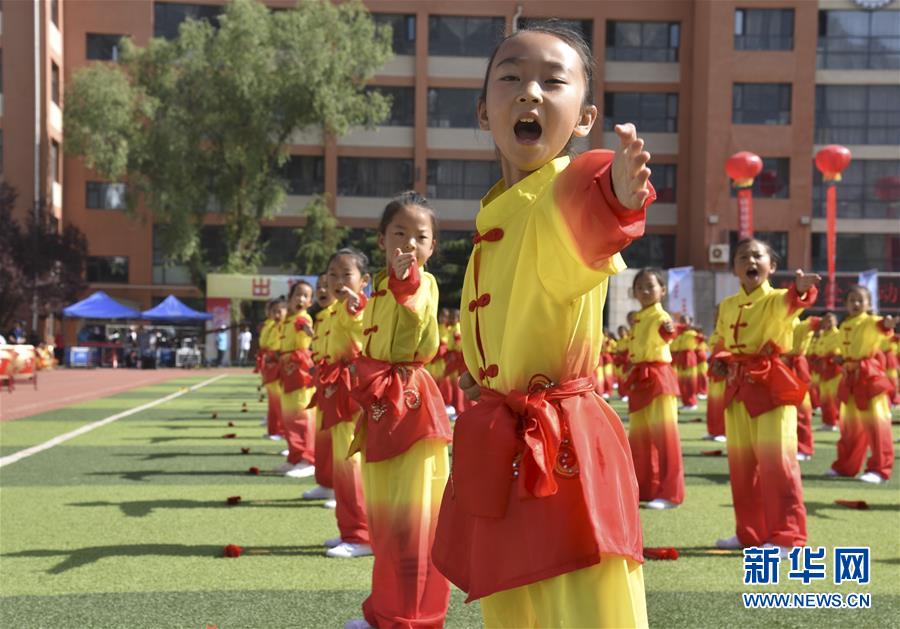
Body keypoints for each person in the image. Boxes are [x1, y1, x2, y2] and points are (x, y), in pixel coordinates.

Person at [431, 23, 655, 627]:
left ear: (583, 118)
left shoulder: (559, 192)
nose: (530, 92)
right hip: (501, 441)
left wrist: (620, 190)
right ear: (484, 112)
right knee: (513, 610)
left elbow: (589, 193)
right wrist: (482, 383)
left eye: (553, 81)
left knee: (579, 606)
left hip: (562, 449)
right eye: (511, 78)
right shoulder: (492, 218)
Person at [344, 192, 453, 629]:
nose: (409, 244)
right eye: (399, 233)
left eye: (420, 237)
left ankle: (411, 618)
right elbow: (375, 335)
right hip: (380, 405)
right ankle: (385, 610)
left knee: (414, 520)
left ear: (432, 247)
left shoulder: (420, 282)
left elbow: (416, 319)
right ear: (381, 239)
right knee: (387, 518)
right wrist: (359, 311)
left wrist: (407, 282)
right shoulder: (381, 287)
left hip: (408, 402)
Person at [713, 238, 820, 557]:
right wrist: (718, 353)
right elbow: (718, 338)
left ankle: (788, 537)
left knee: (778, 464)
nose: (750, 260)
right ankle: (750, 533)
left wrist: (800, 289)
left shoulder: (776, 299)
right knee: (742, 466)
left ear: (771, 266)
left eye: (758, 255)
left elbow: (794, 301)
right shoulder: (728, 305)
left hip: (771, 386)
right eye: (743, 256)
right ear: (735, 268)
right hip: (736, 385)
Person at [319, 249, 372, 559]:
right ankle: (349, 529)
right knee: (343, 460)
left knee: (350, 463)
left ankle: (360, 534)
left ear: (363, 280)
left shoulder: (358, 308)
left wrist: (354, 310)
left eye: (346, 274)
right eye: (333, 274)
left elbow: (363, 340)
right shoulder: (337, 309)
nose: (338, 281)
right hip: (336, 386)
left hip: (351, 389)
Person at [623, 268, 684, 510]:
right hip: (639, 379)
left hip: (658, 378)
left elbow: (668, 332)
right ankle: (644, 489)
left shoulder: (661, 317)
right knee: (639, 438)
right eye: (640, 287)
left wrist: (669, 330)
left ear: (663, 290)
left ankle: (670, 493)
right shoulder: (638, 317)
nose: (645, 291)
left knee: (665, 437)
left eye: (650, 286)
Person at [827, 285, 896, 484]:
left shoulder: (869, 322)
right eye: (851, 300)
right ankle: (845, 467)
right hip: (849, 379)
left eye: (860, 300)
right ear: (846, 304)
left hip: (869, 379)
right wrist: (841, 359)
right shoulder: (844, 325)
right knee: (849, 427)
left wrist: (887, 323)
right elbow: (843, 349)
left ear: (868, 304)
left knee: (877, 426)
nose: (856, 304)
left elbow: (882, 325)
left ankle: (880, 469)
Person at [303, 273, 337, 504]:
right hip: (324, 383)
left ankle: (341, 490)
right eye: (319, 287)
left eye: (328, 285)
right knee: (324, 436)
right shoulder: (321, 317)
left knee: (342, 441)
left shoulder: (345, 313)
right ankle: (326, 483)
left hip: (341, 385)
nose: (323, 290)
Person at [277, 281, 317, 479]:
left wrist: (307, 330)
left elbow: (305, 327)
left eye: (305, 296)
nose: (300, 299)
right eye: (297, 295)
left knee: (302, 417)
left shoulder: (302, 319)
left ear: (310, 302)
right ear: (290, 298)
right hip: (288, 370)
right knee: (289, 417)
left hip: (300, 370)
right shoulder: (288, 320)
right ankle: (294, 456)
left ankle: (308, 459)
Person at [786, 315, 822, 461]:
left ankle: (804, 448)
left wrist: (819, 322)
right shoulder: (771, 321)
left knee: (801, 412)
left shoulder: (798, 323)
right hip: (777, 369)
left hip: (795, 370)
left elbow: (811, 324)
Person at [260, 299, 287, 440]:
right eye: (272, 311)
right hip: (269, 363)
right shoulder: (271, 326)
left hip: (278, 364)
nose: (274, 314)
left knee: (279, 402)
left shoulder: (285, 326)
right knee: (273, 401)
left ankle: (281, 431)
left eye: (278, 311)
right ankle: (273, 430)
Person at [814, 312, 842, 431]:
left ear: (835, 322)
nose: (828, 322)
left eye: (831, 320)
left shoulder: (838, 334)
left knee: (837, 398)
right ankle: (828, 422)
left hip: (834, 370)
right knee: (824, 398)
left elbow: (843, 350)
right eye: (826, 320)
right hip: (823, 369)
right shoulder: (822, 335)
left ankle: (840, 421)